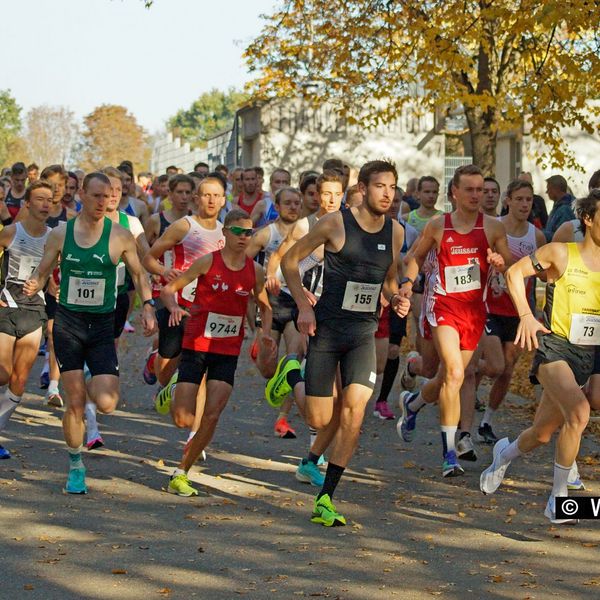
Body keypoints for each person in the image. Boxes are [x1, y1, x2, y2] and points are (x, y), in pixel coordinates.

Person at [280, 160, 410, 526]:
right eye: (380, 186)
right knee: (320, 418)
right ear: (364, 188)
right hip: (327, 330)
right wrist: (304, 306)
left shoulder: (396, 231)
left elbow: (389, 278)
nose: (387, 194)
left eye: (392, 187)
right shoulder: (336, 223)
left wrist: (396, 297)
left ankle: (326, 498)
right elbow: (290, 260)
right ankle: (291, 374)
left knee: (354, 412)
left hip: (362, 334)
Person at [24, 172, 156, 494]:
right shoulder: (60, 234)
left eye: (107, 196)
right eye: (95, 195)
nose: (101, 202)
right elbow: (43, 272)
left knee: (108, 402)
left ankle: (83, 380)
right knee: (75, 403)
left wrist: (149, 305)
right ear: (82, 193)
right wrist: (34, 285)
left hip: (100, 326)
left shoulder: (120, 235)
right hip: (69, 324)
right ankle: (75, 465)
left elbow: (139, 275)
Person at [480, 190, 600, 523]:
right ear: (588, 219)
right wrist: (526, 316)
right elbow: (515, 274)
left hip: (587, 354)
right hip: (554, 349)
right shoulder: (560, 253)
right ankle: (558, 501)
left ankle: (503, 454)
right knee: (578, 413)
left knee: (542, 433)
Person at [398, 164, 511, 477]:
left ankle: (414, 404)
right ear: (455, 193)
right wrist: (407, 285)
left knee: (452, 378)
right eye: (470, 189)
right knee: (457, 371)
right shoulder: (438, 225)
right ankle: (449, 453)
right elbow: (415, 258)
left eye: (481, 189)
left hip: (474, 311)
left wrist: (500, 262)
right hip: (442, 305)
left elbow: (510, 264)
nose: (477, 195)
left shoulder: (493, 228)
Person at [155, 209, 273, 496]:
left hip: (227, 351)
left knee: (212, 414)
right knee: (183, 418)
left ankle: (181, 472)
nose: (244, 237)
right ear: (225, 233)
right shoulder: (207, 262)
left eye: (248, 233)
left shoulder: (254, 271)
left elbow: (264, 305)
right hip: (196, 346)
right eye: (238, 232)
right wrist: (173, 307)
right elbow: (169, 289)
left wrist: (265, 333)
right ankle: (172, 386)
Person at [477, 180, 546, 443]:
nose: (524, 204)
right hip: (490, 307)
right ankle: (468, 368)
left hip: (519, 312)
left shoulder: (536, 236)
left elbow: (542, 276)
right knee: (495, 367)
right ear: (508, 200)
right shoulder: (495, 228)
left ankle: (486, 421)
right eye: (519, 199)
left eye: (529, 200)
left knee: (506, 371)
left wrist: (537, 312)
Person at [143, 176, 225, 389]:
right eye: (206, 195)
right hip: (177, 303)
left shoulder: (226, 232)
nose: (211, 200)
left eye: (216, 196)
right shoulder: (183, 226)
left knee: (199, 361)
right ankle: (157, 361)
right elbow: (148, 258)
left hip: (207, 307)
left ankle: (190, 404)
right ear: (197, 199)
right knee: (167, 367)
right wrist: (164, 270)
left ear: (223, 200)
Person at [245, 187, 304, 438]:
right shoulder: (265, 234)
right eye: (287, 203)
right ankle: (260, 351)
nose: (293, 207)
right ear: (276, 207)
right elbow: (242, 262)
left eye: (296, 203)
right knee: (268, 369)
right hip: (270, 304)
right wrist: (261, 281)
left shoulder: (308, 232)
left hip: (296, 303)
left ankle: (282, 418)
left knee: (295, 358)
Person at [0, 181, 52, 459]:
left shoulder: (55, 237)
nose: (46, 204)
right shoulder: (11, 232)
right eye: (40, 199)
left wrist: (47, 282)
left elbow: (58, 271)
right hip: (6, 305)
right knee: (2, 373)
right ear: (27, 204)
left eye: (49, 200)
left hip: (34, 310)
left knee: (19, 381)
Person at [543, 175, 575, 241]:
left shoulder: (566, 209)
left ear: (556, 189)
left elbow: (562, 236)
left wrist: (540, 233)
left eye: (548, 189)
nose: (547, 192)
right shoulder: (558, 207)